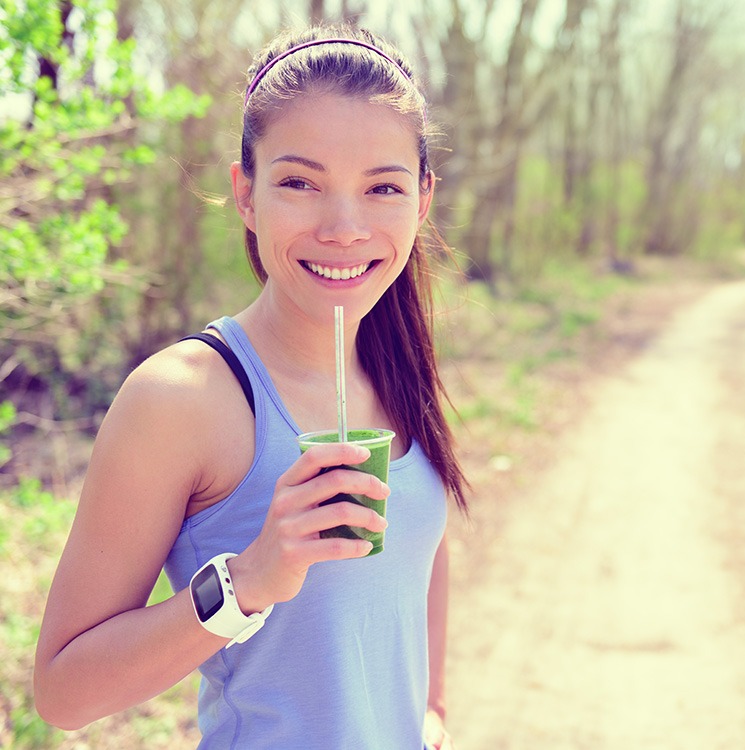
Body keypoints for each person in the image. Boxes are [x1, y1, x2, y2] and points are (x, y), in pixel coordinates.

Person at [34, 22, 467, 750]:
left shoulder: (396, 366)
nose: (344, 227)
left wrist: (433, 712)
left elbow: (424, 550)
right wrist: (250, 580)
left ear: (421, 199)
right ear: (246, 195)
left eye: (382, 187)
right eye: (300, 183)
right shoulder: (181, 399)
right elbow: (63, 692)